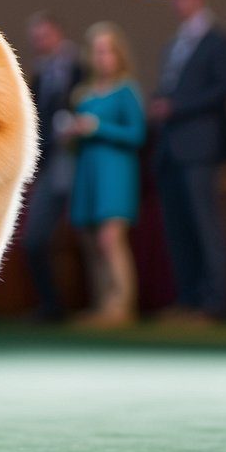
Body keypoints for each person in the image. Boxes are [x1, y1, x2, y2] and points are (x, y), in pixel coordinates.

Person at [150, 0, 226, 322]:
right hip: (172, 147)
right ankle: (188, 298)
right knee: (180, 228)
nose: (177, 5)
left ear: (200, 0)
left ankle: (215, 302)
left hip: (200, 145)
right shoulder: (175, 44)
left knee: (206, 225)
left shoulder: (219, 41)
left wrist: (178, 107)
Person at [64, 23, 146, 327]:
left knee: (110, 239)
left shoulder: (127, 90)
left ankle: (122, 305)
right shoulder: (83, 93)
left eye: (107, 51)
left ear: (118, 54)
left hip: (116, 172)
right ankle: (103, 304)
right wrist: (73, 134)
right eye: (97, 51)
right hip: (88, 171)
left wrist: (98, 127)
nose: (102, 57)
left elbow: (138, 134)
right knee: (91, 242)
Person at [20, 11, 83, 321]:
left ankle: (103, 306)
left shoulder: (82, 69)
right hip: (49, 166)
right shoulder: (40, 76)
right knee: (34, 239)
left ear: (57, 33)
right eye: (37, 40)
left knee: (95, 239)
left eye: (45, 36)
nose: (42, 43)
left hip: (81, 165)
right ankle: (51, 304)